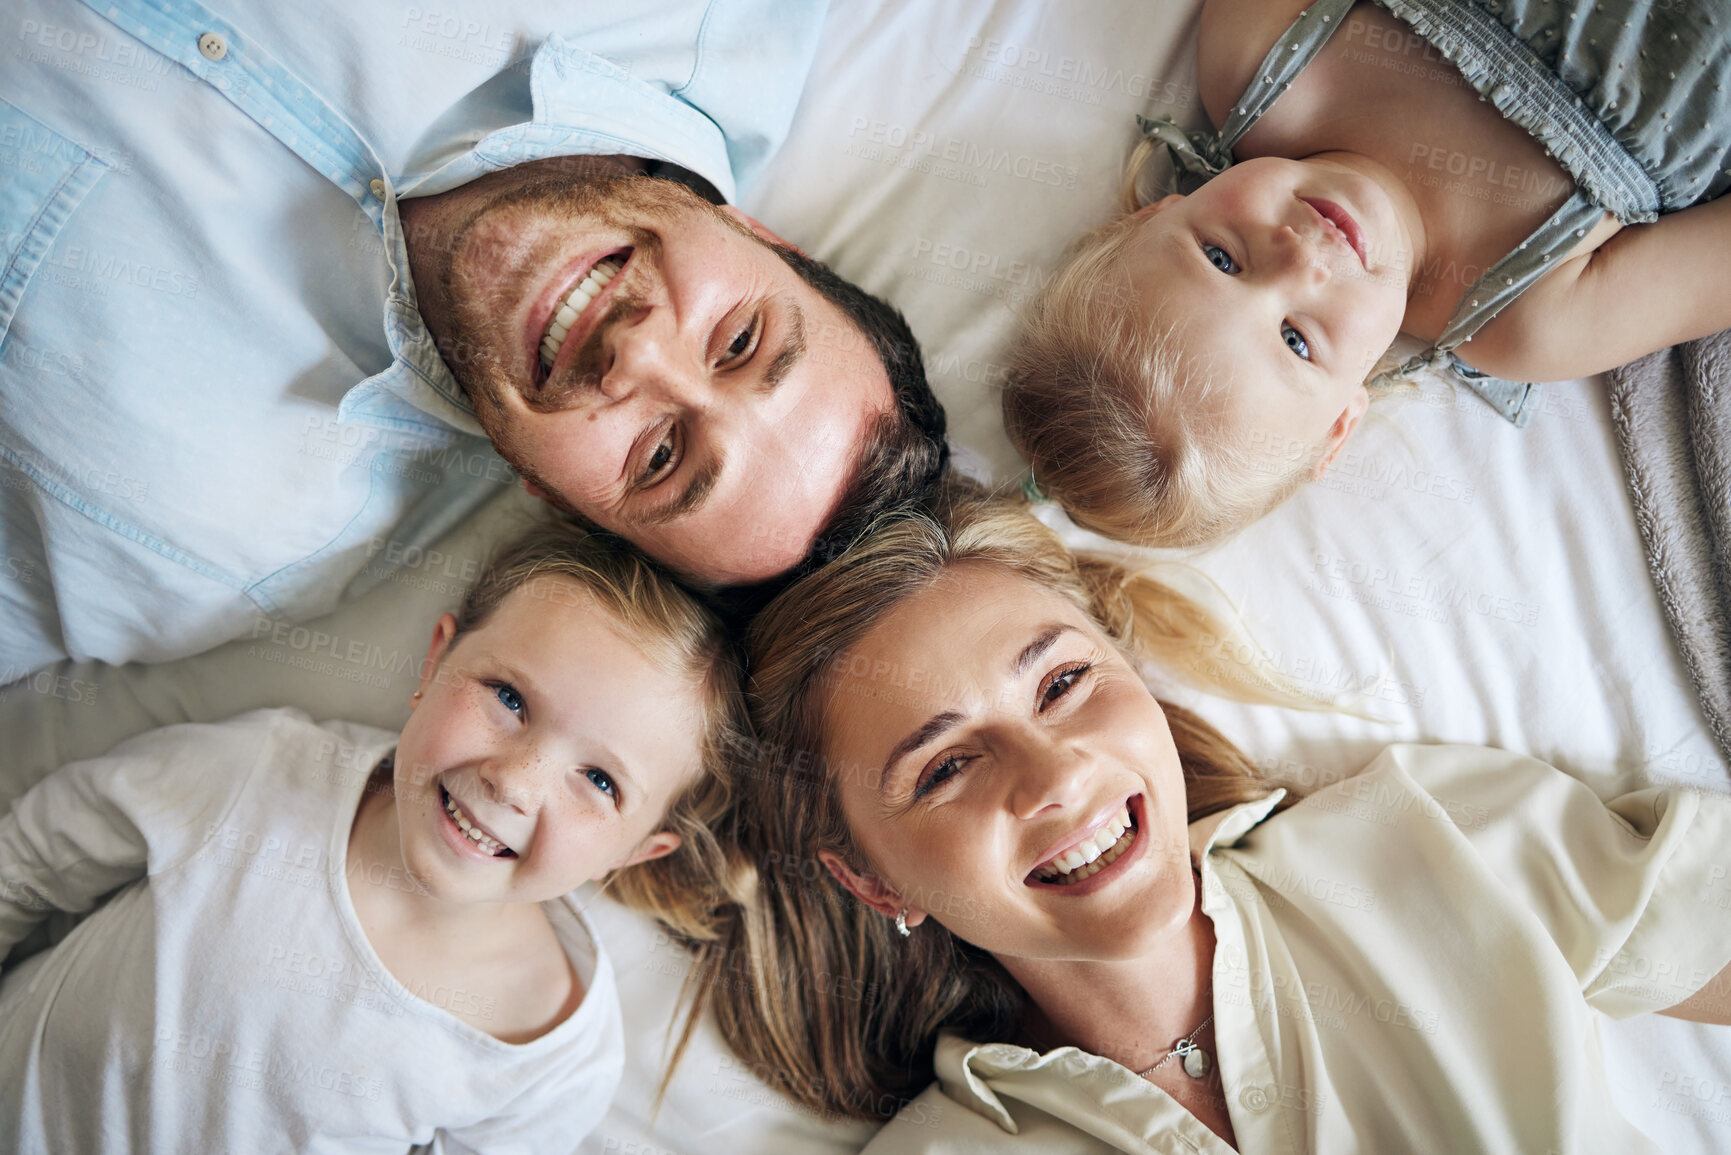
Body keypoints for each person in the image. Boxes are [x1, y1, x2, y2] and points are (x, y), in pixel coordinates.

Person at [661, 487, 1731, 1150]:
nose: (1051, 779)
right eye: (943, 768)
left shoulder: (1435, 842)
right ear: (872, 881)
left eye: (1063, 684)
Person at [0, 0, 947, 676]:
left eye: (660, 456)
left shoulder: (204, 541)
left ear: (556, 499)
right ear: (765, 239)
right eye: (739, 339)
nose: (637, 357)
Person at [0, 519, 748, 1153]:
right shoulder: (258, 775)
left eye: (600, 780)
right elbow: (28, 860)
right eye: (509, 698)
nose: (514, 782)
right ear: (434, 661)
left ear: (633, 851)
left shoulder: (552, 1060)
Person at [1002, 0, 1731, 548]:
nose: (1301, 257)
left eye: (1220, 259)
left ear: (1146, 216)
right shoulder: (1524, 318)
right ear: (1341, 423)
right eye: (1294, 340)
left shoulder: (1260, 59)